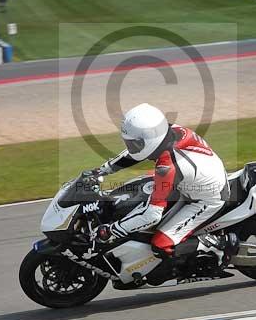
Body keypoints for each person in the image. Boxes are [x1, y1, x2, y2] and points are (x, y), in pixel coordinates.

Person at [87, 103, 237, 261]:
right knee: (141, 186)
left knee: (161, 244)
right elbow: (135, 153)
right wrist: (102, 170)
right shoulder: (169, 131)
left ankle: (219, 246)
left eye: (132, 143)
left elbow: (151, 215)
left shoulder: (167, 167)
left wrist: (111, 231)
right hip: (196, 178)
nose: (130, 147)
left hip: (207, 199)